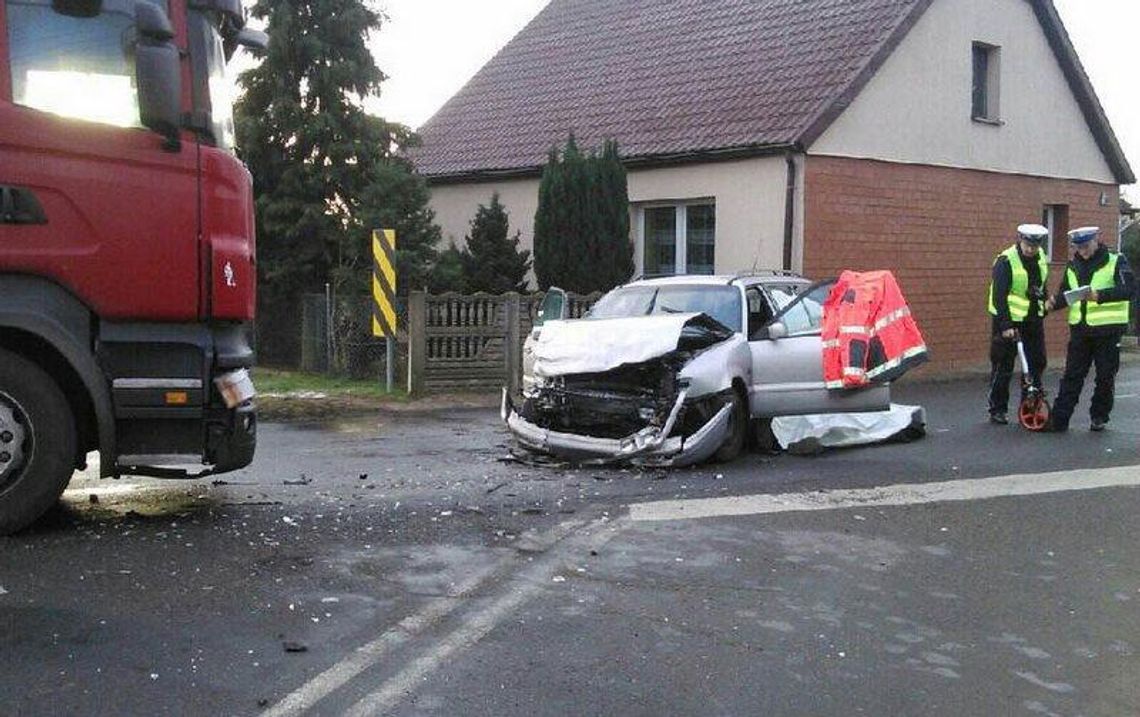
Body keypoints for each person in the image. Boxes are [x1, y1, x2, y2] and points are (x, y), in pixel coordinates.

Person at [1045, 226, 1136, 432]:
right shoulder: (1073, 265)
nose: (1083, 251)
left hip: (1108, 331)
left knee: (1105, 376)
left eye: (1086, 246)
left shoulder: (1115, 260)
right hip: (1081, 330)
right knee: (1072, 375)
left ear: (1096, 240)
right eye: (1078, 247)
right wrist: (1054, 303)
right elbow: (1068, 293)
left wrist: (1100, 296)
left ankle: (1099, 416)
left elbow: (1129, 289)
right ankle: (1059, 420)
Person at [986, 224, 1051, 424]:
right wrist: (1005, 325)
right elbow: (999, 296)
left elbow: (1041, 285)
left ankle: (1031, 406)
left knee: (1036, 364)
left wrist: (1045, 300)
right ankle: (997, 409)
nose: (1031, 249)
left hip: (1032, 320)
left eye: (1035, 246)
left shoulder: (1040, 258)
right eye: (1028, 245)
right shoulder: (1006, 261)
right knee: (1003, 366)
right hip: (1008, 321)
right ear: (1021, 240)